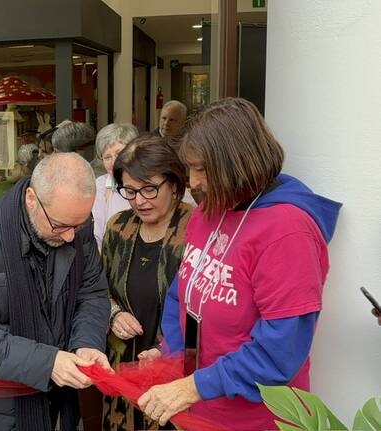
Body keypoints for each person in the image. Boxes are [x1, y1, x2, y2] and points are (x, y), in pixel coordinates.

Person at [137, 98, 342, 430]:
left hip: (257, 419)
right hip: (200, 407)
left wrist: (192, 386)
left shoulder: (287, 231)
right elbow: (183, 292)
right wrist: (174, 356)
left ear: (237, 163)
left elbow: (280, 352)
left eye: (202, 169)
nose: (193, 182)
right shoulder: (210, 209)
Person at [0, 152, 111, 431]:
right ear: (32, 198)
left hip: (59, 398)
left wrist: (87, 343)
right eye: (60, 225)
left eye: (77, 225)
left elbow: (91, 293)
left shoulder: (77, 224)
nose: (70, 236)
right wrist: (48, 362)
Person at [102, 135, 193, 431]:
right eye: (130, 190)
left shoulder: (197, 229)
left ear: (175, 184)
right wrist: (114, 313)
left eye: (150, 189)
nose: (139, 200)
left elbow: (206, 309)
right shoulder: (118, 226)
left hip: (177, 375)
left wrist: (168, 349)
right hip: (122, 368)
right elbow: (95, 289)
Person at [91, 123, 138, 247]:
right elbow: (96, 234)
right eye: (107, 157)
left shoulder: (151, 180)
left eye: (119, 153)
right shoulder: (100, 186)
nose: (114, 162)